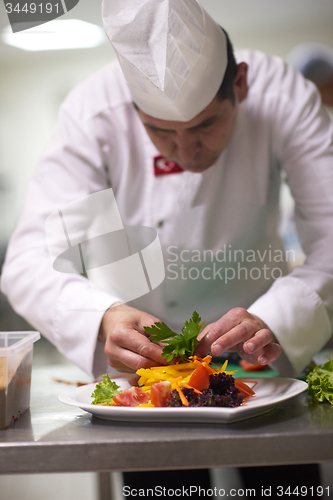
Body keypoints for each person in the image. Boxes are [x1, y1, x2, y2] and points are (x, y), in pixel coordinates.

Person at [1, 0, 333, 383]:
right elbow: (30, 260)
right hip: (133, 366)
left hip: (256, 355)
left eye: (205, 124)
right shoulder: (91, 112)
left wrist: (276, 316)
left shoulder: (283, 95)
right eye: (160, 131)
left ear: (240, 84)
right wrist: (104, 316)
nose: (185, 151)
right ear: (133, 107)